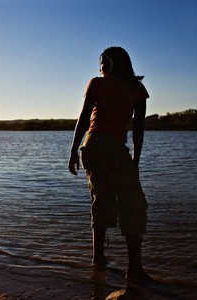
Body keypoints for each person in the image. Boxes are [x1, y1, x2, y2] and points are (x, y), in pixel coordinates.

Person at [68, 46, 154, 284]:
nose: (101, 68)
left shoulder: (97, 83)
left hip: (90, 146)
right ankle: (134, 270)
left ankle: (99, 260)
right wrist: (134, 161)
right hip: (111, 147)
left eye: (103, 63)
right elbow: (137, 130)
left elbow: (84, 119)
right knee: (133, 203)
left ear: (114, 64)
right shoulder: (137, 89)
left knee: (101, 199)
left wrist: (74, 150)